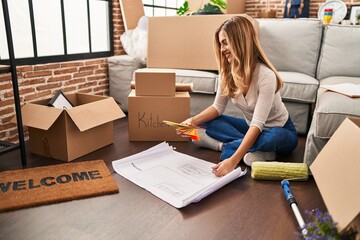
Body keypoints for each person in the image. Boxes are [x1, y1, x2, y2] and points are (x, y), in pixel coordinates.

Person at [181, 16, 298, 177]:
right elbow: (218, 108)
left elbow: (258, 124)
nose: (222, 49)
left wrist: (233, 160)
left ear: (240, 41)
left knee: (274, 137)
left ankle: (222, 146)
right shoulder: (227, 73)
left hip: (280, 130)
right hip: (250, 128)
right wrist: (192, 121)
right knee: (207, 120)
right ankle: (262, 152)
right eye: (220, 44)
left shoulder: (265, 76)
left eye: (225, 42)